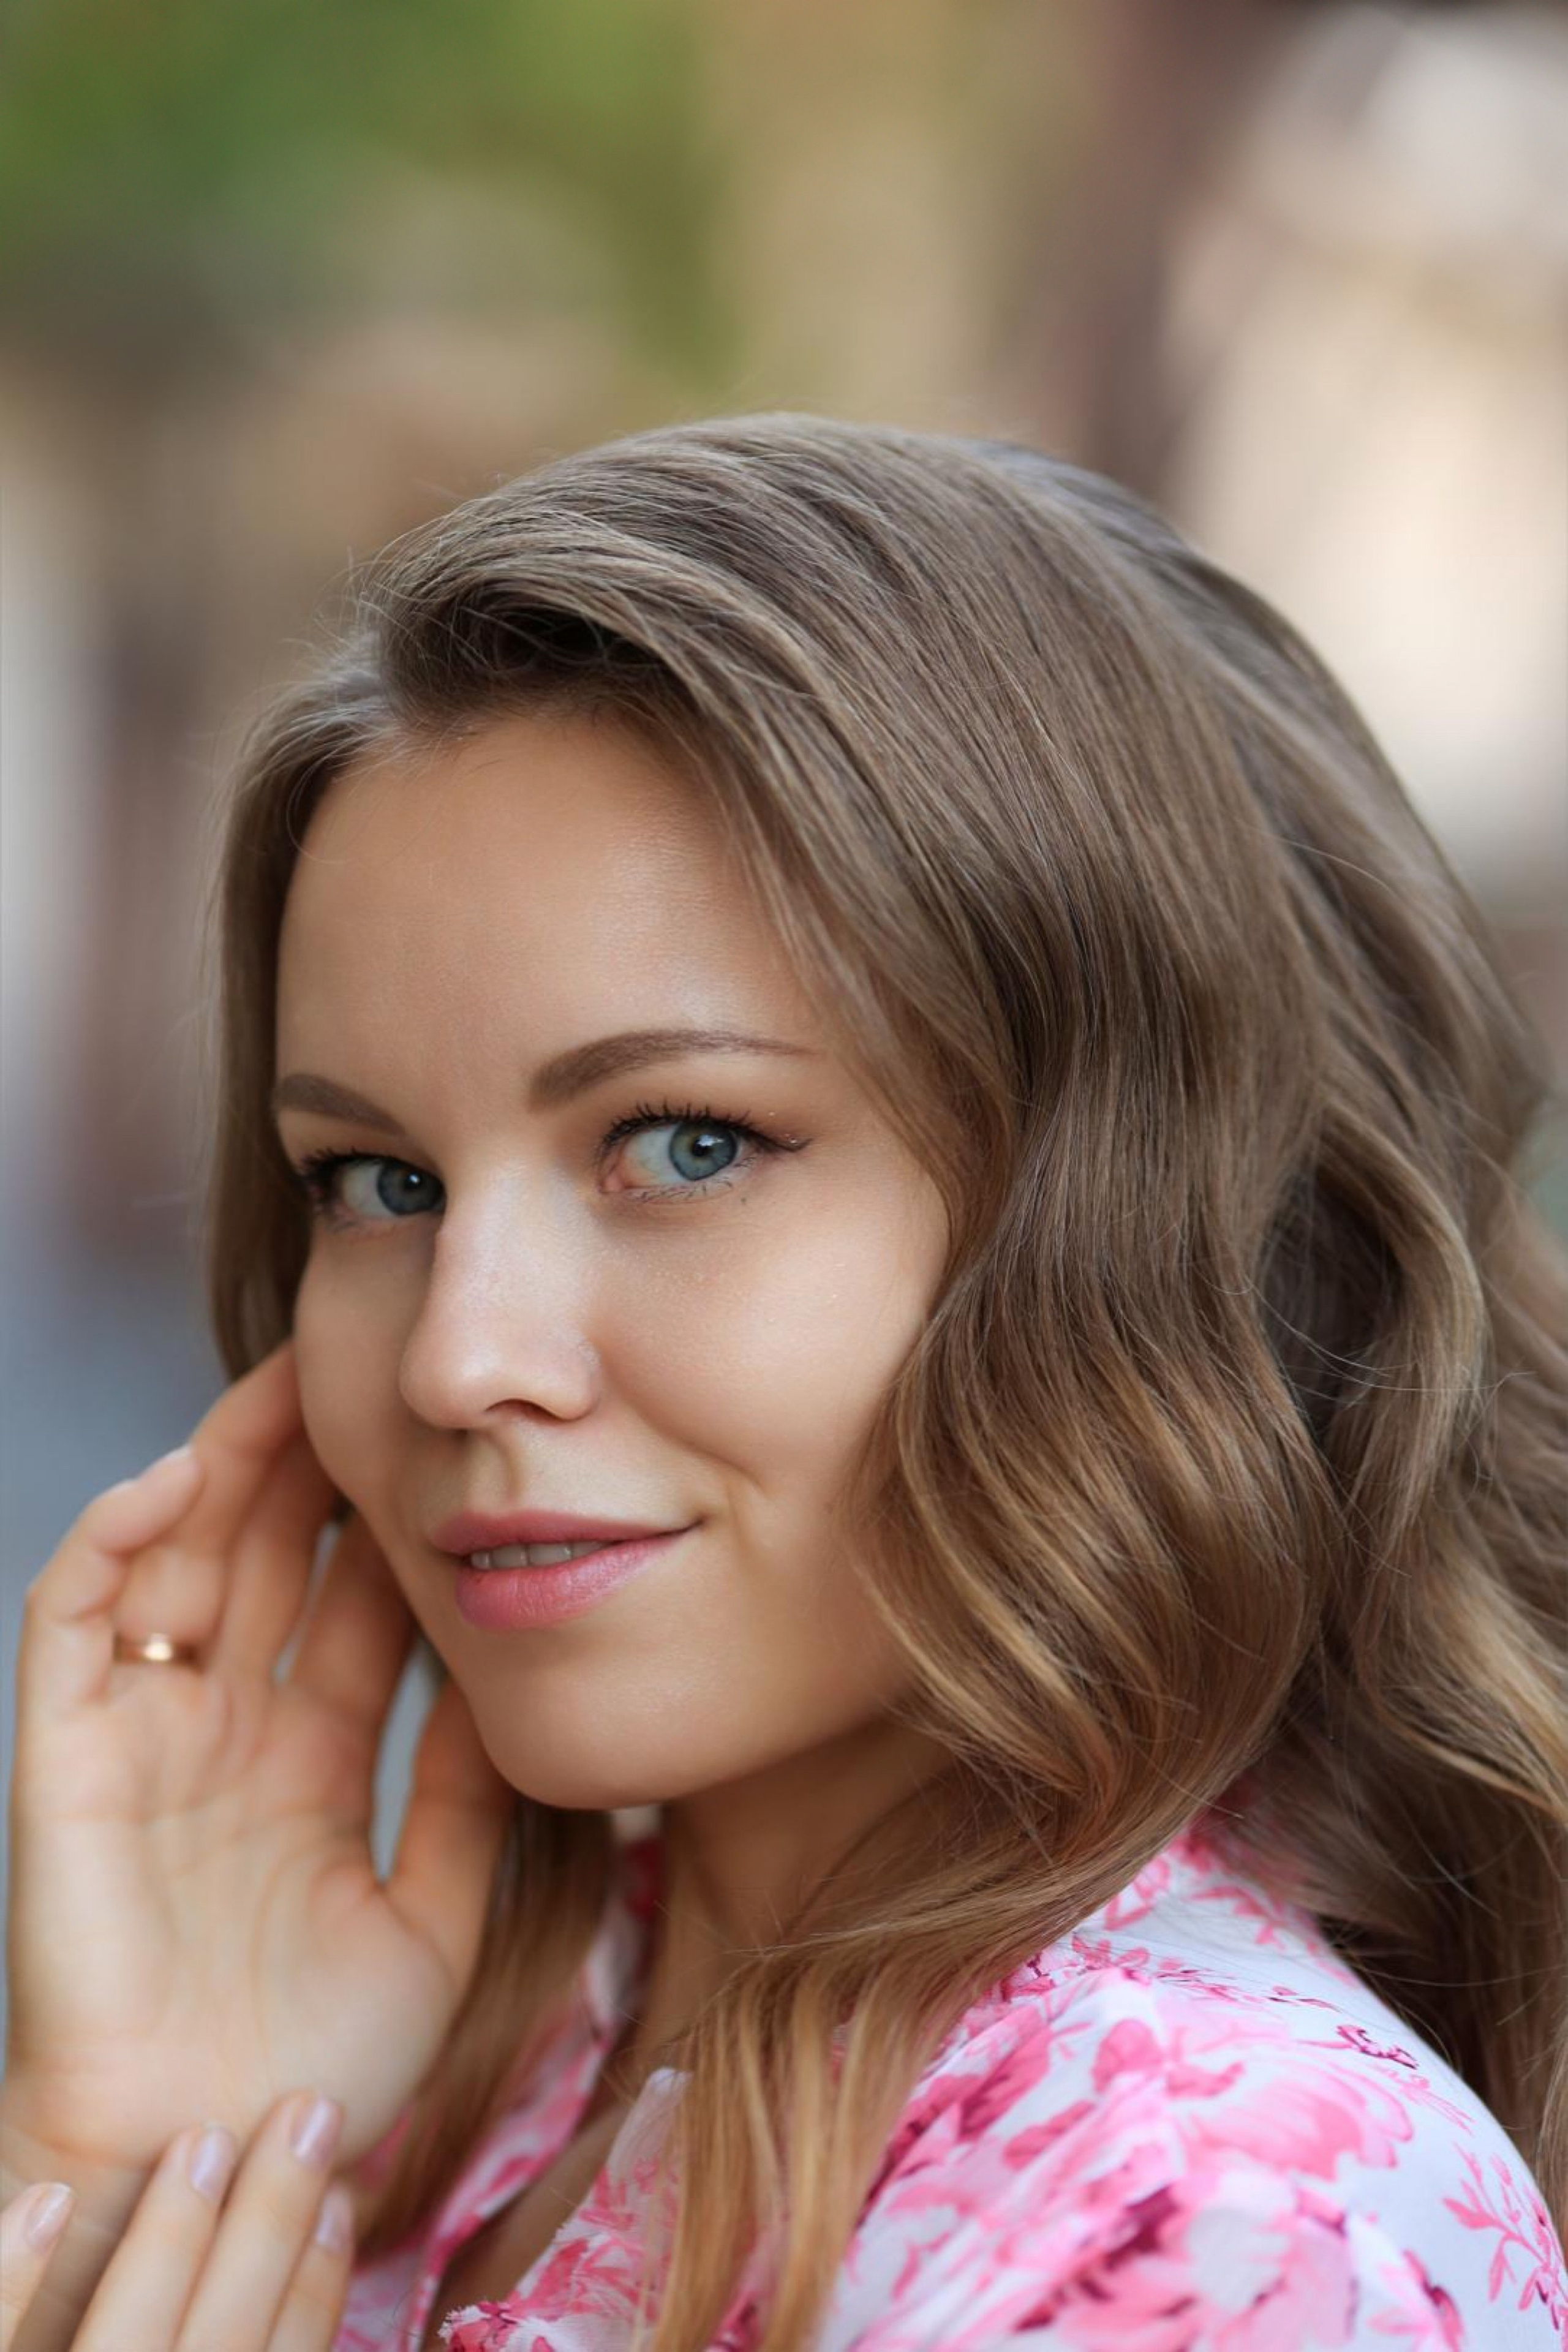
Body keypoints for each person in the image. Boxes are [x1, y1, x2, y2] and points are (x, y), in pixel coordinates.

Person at [2, 413, 1564, 2352]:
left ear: (1157, 1210)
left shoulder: (1220, 2207)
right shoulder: (438, 2074)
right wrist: (121, 2170)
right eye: (378, 1181)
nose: (458, 1353)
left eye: (683, 1143)